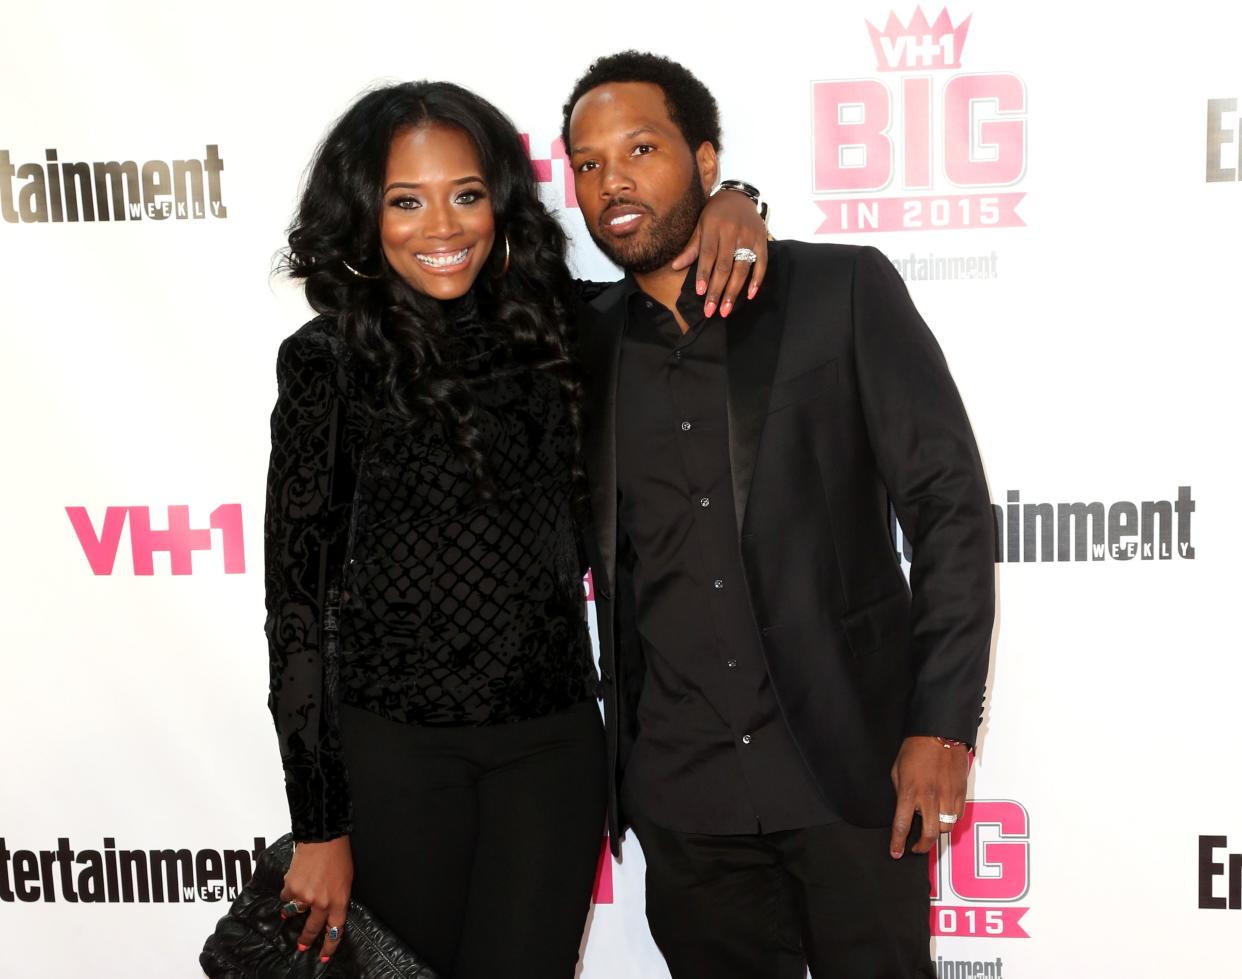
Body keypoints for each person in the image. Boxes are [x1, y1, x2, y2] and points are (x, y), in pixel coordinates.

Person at [263, 79, 770, 978]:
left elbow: (668, 269)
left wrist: (737, 201)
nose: (442, 226)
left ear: (498, 198)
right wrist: (319, 825)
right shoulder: (327, 361)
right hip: (393, 757)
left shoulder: (560, 326)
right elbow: (296, 605)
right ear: (363, 212)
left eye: (465, 194)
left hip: (551, 751)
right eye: (405, 201)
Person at [564, 52, 996, 979]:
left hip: (850, 774)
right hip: (685, 799)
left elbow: (949, 507)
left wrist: (943, 723)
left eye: (641, 147)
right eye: (590, 164)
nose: (614, 181)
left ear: (707, 159)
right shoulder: (577, 344)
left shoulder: (838, 291)